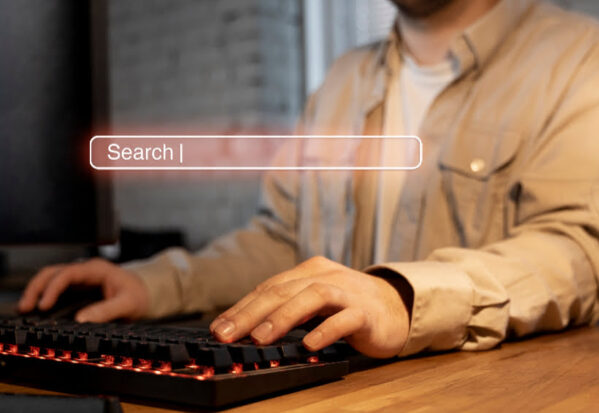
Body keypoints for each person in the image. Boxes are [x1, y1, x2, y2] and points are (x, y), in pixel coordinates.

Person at [18, 0, 599, 358]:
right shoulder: (343, 80)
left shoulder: (580, 58)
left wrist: (401, 297)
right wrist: (152, 286)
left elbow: (575, 252)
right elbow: (282, 242)